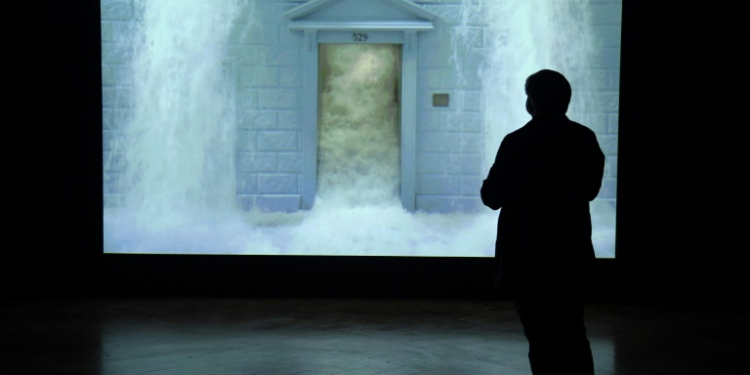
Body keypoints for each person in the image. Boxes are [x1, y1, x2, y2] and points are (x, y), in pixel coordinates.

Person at [481, 69, 604, 375]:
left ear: (531, 101)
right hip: (569, 253)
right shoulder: (584, 138)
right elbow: (590, 190)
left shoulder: (516, 142)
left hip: (526, 256)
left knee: (540, 338)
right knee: (574, 332)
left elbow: (492, 197)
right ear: (566, 101)